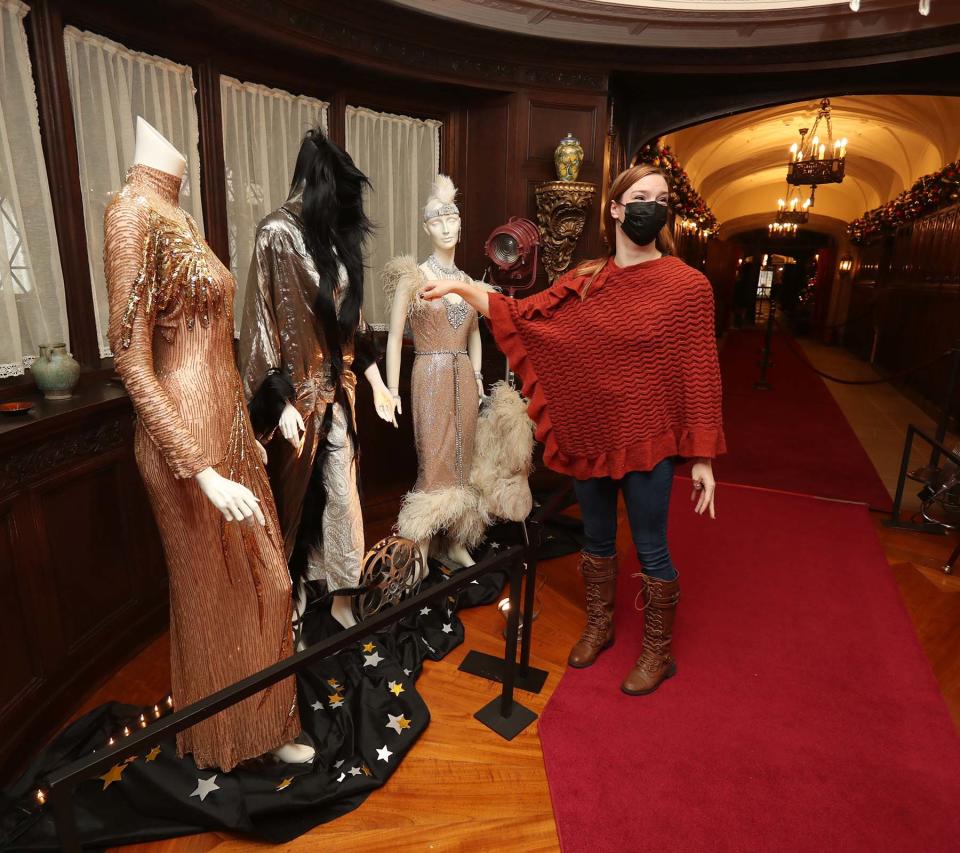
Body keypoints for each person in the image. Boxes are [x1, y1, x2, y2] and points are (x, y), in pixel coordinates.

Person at [420, 163, 725, 696]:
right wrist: (460, 288)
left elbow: (700, 370)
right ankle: (600, 624)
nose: (651, 206)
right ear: (615, 208)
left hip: (648, 438)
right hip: (589, 434)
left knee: (651, 548)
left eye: (660, 197)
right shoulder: (586, 280)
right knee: (598, 540)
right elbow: (526, 317)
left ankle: (658, 651)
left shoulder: (687, 287)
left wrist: (701, 456)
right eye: (639, 196)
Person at [239, 127, 396, 633]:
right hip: (295, 408)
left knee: (344, 500)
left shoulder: (334, 238)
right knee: (293, 509)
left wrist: (376, 384)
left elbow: (353, 327)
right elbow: (260, 321)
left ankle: (345, 597)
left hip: (338, 398)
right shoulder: (276, 234)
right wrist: (275, 399)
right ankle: (293, 595)